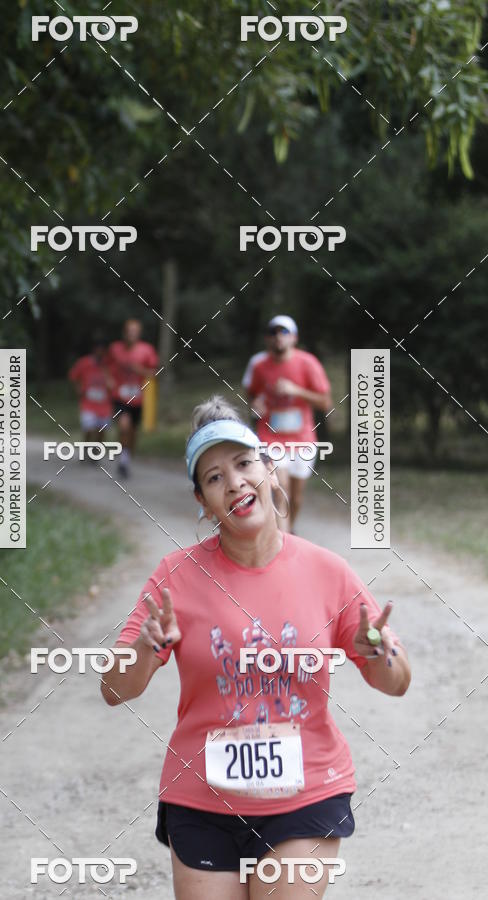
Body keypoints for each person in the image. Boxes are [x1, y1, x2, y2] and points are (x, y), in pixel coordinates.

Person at [101, 395, 410, 899]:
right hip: (201, 799)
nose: (235, 482)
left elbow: (396, 683)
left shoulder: (327, 572)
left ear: (270, 469)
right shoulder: (175, 577)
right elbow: (114, 689)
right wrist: (144, 648)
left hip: (304, 792)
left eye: (244, 464)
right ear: (202, 501)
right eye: (215, 477)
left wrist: (379, 653)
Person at [247, 315, 331, 533]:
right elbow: (253, 396)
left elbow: (326, 402)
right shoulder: (259, 366)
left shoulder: (308, 363)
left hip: (302, 439)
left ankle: (289, 532)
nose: (278, 338)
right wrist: (256, 405)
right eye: (272, 333)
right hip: (270, 436)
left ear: (294, 337)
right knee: (280, 489)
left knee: (295, 497)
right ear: (267, 339)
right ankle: (282, 539)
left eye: (283, 332)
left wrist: (297, 391)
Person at [107, 319, 159, 478]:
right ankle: (123, 461)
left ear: (139, 333)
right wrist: (109, 380)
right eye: (129, 330)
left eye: (135, 331)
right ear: (124, 332)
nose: (131, 334)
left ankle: (126, 456)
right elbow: (106, 367)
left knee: (133, 432)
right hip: (120, 396)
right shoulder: (115, 349)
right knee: (124, 426)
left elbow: (154, 373)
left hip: (138, 398)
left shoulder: (147, 350)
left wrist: (140, 370)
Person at [68, 336, 112, 452]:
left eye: (103, 349)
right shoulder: (84, 362)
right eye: (98, 349)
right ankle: (86, 447)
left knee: (101, 430)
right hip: (88, 404)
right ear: (94, 349)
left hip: (104, 405)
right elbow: (73, 376)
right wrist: (78, 389)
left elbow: (114, 383)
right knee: (89, 428)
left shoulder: (109, 364)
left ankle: (97, 450)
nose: (100, 352)